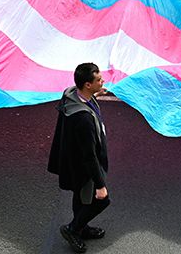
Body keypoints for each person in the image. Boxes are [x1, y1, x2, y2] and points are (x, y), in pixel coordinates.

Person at [48, 63, 110, 254]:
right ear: (87, 84)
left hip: (70, 160)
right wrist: (100, 185)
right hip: (82, 166)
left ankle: (81, 227)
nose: (103, 81)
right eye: (98, 79)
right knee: (101, 200)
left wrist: (96, 94)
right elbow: (89, 155)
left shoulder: (71, 94)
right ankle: (73, 229)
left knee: (80, 196)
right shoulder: (83, 119)